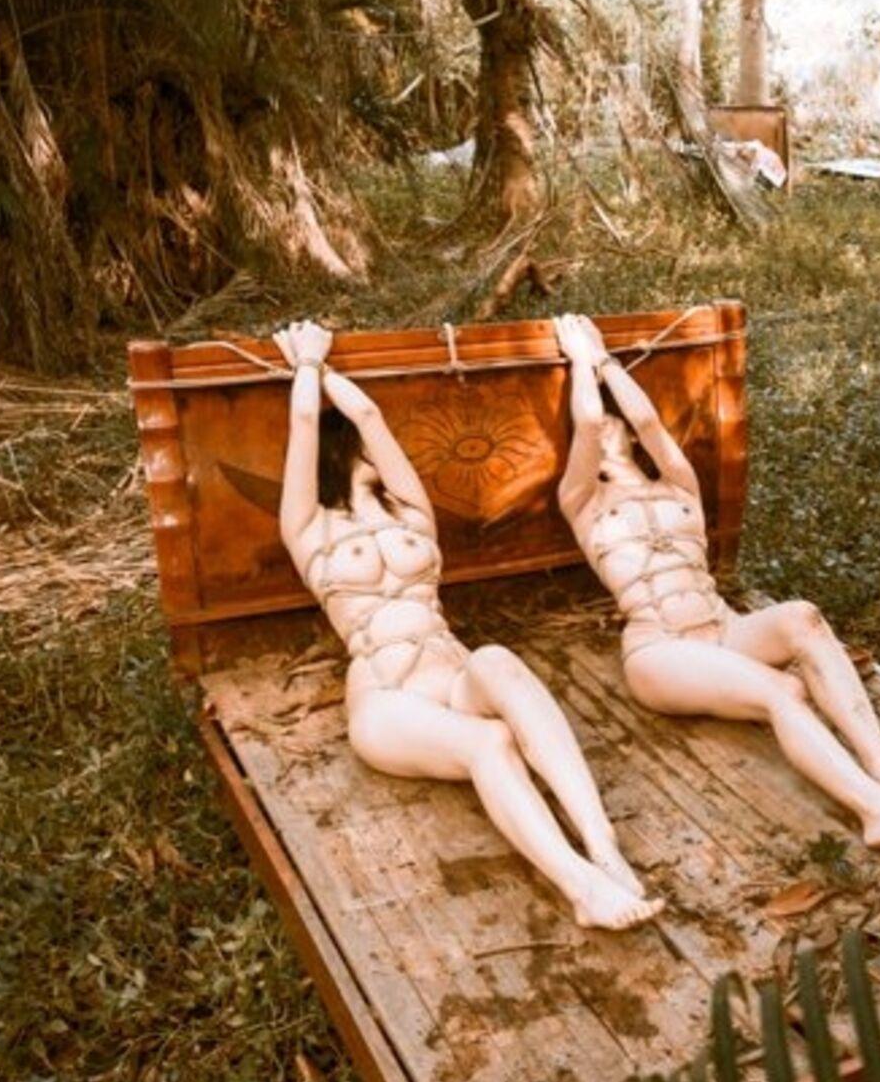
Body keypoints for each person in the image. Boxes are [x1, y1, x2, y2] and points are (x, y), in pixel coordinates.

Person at [270, 320, 658, 929]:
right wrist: (309, 363)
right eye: (362, 443)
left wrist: (325, 369)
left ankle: (601, 842)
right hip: (389, 697)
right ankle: (581, 887)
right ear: (338, 452)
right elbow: (304, 420)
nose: (378, 447)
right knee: (490, 742)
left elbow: (370, 416)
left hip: (451, 675)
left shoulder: (411, 511)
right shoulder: (308, 527)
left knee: (497, 658)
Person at [552, 313, 880, 848]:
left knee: (803, 617)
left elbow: (650, 422)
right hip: (661, 648)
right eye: (592, 436)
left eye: (617, 425)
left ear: (631, 436)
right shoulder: (584, 502)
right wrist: (583, 359)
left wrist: (608, 362)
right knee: (783, 690)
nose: (603, 429)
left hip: (724, 629)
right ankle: (877, 813)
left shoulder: (678, 486)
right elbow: (588, 420)